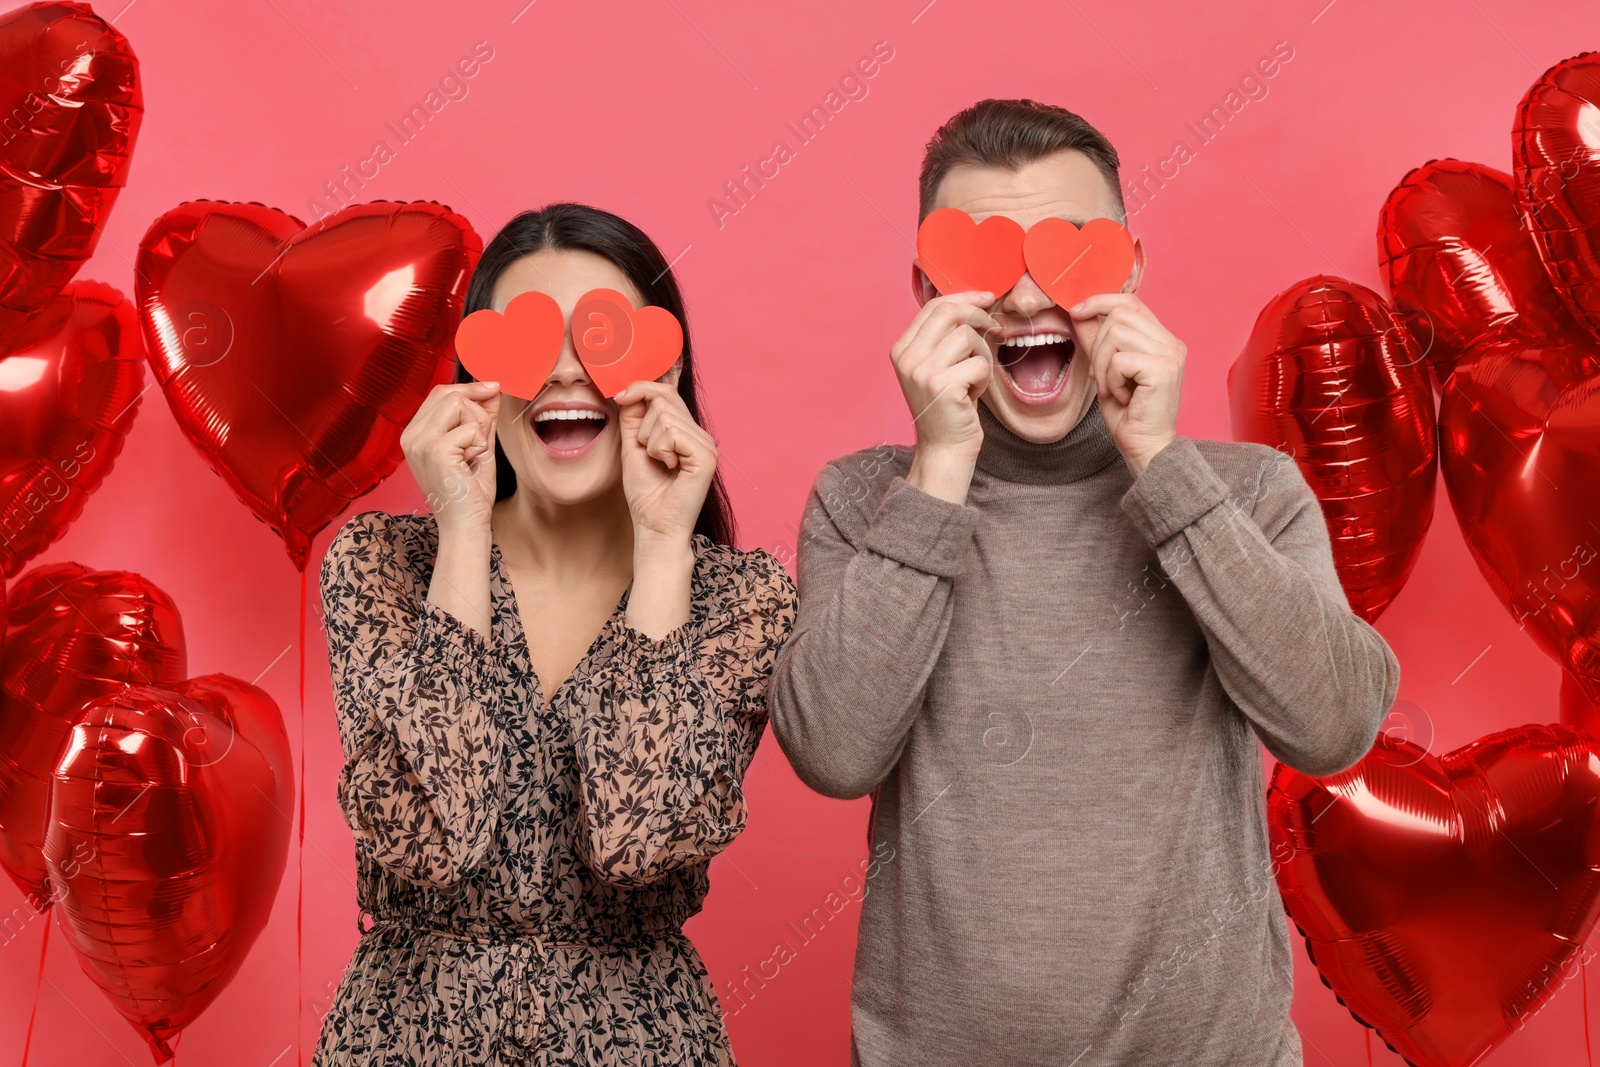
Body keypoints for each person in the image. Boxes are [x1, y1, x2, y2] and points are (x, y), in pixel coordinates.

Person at [767, 99, 1400, 1066]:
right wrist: (938, 471)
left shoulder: (1246, 492)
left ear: (1132, 269)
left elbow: (1333, 726)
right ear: (925, 289)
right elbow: (834, 752)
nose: (1025, 300)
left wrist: (1161, 461)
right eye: (983, 265)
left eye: (1065, 251)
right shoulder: (866, 501)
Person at [314, 202, 796, 1066]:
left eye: (606, 341)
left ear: (666, 370)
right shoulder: (380, 565)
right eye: (529, 344)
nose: (568, 373)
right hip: (404, 1040)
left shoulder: (737, 600)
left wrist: (661, 550)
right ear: (475, 375)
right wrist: (460, 529)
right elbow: (436, 837)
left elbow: (636, 838)